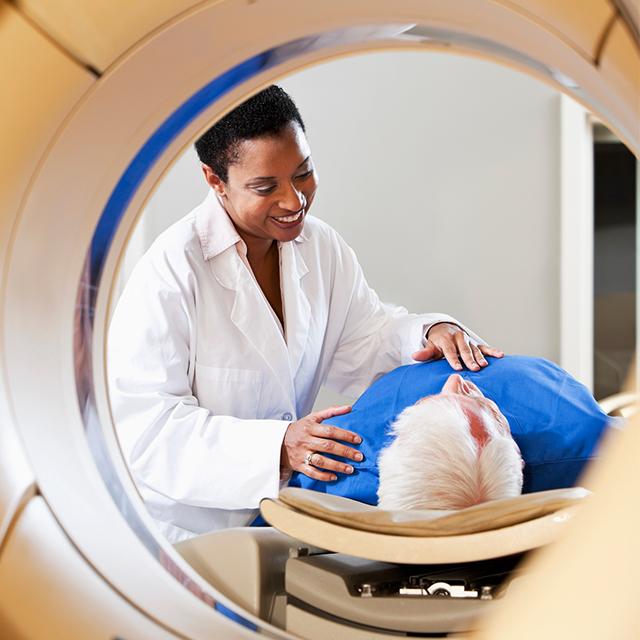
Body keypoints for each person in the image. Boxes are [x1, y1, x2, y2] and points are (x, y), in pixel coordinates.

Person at [108, 85, 502, 542]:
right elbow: (146, 431)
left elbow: (367, 340)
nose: (294, 201)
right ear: (215, 180)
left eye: (304, 173)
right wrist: (278, 446)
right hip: (185, 533)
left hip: (281, 515)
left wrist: (429, 330)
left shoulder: (321, 247)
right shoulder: (172, 269)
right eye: (264, 187)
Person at [289, 355, 613, 507]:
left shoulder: (329, 465)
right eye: (489, 410)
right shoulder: (595, 445)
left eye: (435, 398)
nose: (457, 382)